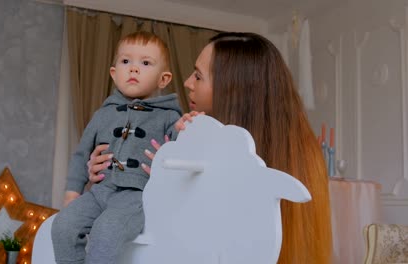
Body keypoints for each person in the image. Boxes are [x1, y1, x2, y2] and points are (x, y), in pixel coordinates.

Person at [88, 32, 332, 263]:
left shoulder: (219, 158)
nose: (186, 83)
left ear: (232, 89)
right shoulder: (302, 149)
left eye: (198, 76)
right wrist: (106, 177)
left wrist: (165, 191)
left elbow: (179, 237)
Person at [51, 31, 182, 264]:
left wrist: (184, 130)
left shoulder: (170, 117)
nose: (133, 68)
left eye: (145, 62)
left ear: (164, 79)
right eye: (125, 61)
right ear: (114, 73)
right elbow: (82, 154)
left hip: (135, 197)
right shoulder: (104, 114)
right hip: (99, 192)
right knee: (62, 225)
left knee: (106, 231)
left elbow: (181, 152)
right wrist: (72, 193)